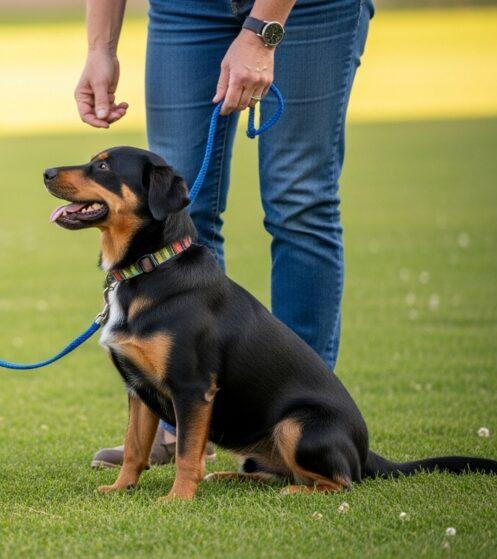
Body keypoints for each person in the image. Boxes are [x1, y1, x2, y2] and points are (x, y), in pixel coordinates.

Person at [76, 0, 373, 469]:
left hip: (310, 9)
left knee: (299, 201)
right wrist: (100, 47)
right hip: (186, 9)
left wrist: (262, 31)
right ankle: (180, 426)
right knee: (179, 204)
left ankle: (298, 420)